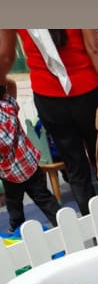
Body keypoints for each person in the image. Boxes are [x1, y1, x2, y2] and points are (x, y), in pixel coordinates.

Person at [0, 29, 98, 217]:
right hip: (86, 90)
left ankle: (93, 224)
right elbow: (94, 48)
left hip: (48, 97)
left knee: (75, 168)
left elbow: (5, 56)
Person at [0, 78, 60, 232]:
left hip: (10, 173)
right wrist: (3, 76)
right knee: (44, 197)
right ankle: (61, 220)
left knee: (14, 205)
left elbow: (4, 144)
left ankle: (18, 230)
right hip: (29, 163)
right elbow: (11, 84)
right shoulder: (8, 105)